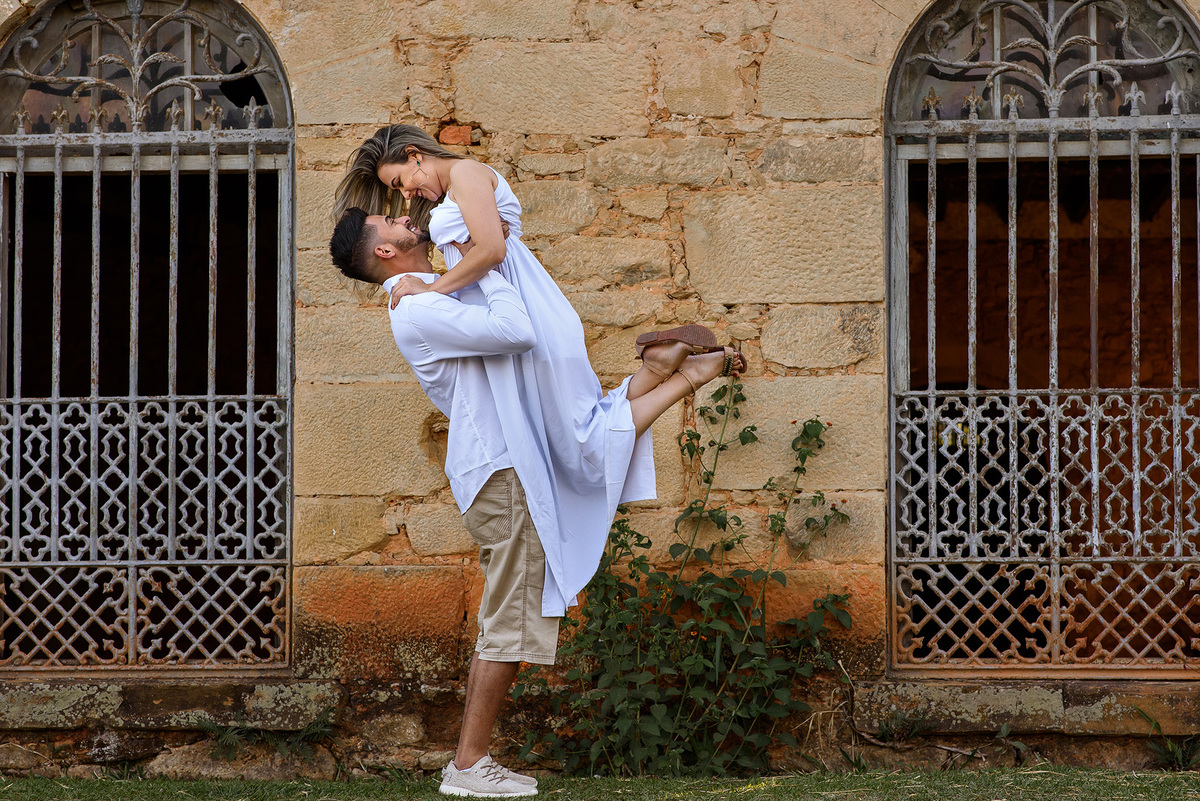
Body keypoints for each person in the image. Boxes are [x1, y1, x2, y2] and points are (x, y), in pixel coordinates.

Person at [329, 209, 741, 798]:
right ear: (387, 254)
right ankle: (469, 766)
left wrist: (469, 264)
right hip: (502, 468)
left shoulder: (434, 293)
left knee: (587, 451)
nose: (402, 217)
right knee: (511, 614)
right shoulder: (417, 307)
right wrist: (490, 255)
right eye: (387, 221)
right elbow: (518, 328)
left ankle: (670, 373)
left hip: (517, 454)